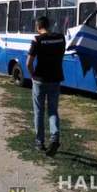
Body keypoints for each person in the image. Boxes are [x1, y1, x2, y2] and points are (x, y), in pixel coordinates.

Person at [26, 16, 66, 156]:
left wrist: (32, 76)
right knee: (53, 110)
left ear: (38, 27)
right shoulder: (61, 38)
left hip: (40, 80)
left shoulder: (37, 40)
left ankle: (40, 142)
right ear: (49, 25)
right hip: (55, 79)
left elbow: (28, 63)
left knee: (39, 112)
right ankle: (54, 136)